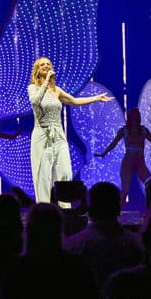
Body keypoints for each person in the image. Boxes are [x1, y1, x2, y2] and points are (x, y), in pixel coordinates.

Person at [28, 57, 113, 203]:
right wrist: (46, 82)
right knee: (43, 175)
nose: (46, 66)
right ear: (37, 70)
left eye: (48, 64)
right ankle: (43, 209)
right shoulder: (33, 88)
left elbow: (74, 101)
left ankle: (65, 210)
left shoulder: (56, 90)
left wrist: (97, 98)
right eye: (42, 65)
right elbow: (35, 101)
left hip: (59, 134)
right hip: (42, 135)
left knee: (65, 172)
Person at [95, 107, 151, 206]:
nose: (135, 118)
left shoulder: (144, 131)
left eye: (137, 116)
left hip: (140, 163)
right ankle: (116, 213)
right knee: (125, 190)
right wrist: (104, 153)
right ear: (130, 117)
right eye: (133, 116)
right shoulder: (124, 130)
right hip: (127, 163)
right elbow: (113, 143)